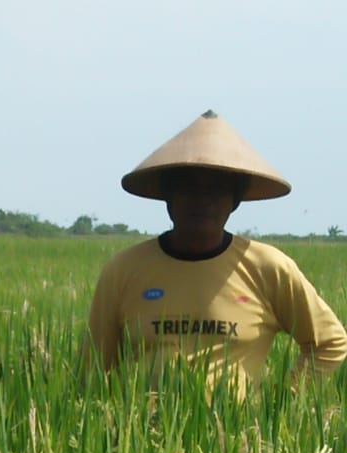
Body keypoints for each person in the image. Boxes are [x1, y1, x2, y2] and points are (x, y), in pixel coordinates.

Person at [86, 110, 347, 394]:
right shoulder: (124, 269)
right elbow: (94, 369)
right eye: (189, 187)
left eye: (217, 190)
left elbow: (329, 343)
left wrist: (280, 405)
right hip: (142, 434)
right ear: (168, 197)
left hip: (235, 435)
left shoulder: (267, 267)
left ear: (234, 201)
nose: (203, 201)